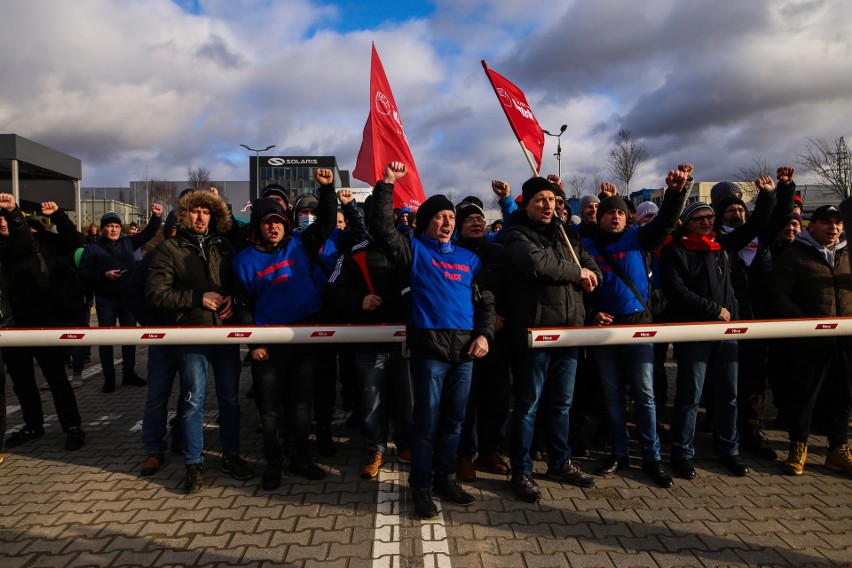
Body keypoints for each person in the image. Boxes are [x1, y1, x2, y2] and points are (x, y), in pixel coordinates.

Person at [369, 161, 494, 519]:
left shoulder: (470, 259)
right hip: (430, 353)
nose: (447, 222)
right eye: (439, 217)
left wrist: (484, 334)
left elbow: (485, 300)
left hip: (466, 353)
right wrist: (387, 184)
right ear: (425, 222)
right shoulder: (413, 251)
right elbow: (382, 229)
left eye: (450, 217)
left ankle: (445, 478)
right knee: (426, 424)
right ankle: (420, 485)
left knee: (455, 423)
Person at [582, 167, 691, 488]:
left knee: (644, 396)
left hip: (638, 329)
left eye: (619, 212)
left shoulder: (638, 237)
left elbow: (667, 221)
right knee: (613, 396)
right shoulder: (585, 245)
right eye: (608, 212)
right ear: (599, 218)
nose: (614, 217)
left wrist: (675, 193)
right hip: (603, 332)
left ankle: (652, 457)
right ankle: (619, 452)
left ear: (627, 217)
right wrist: (591, 313)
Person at [232, 169, 338, 489]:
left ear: (286, 223)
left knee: (301, 402)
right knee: (271, 406)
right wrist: (254, 343)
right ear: (258, 226)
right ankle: (274, 461)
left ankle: (300, 456)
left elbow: (328, 222)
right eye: (267, 222)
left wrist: (327, 189)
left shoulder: (300, 243)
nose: (274, 226)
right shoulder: (243, 261)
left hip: (304, 334)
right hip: (269, 340)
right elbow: (243, 306)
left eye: (278, 221)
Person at [146, 189, 253, 494]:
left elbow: (238, 281)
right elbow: (155, 293)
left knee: (230, 400)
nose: (200, 217)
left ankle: (231, 456)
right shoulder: (169, 248)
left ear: (214, 215)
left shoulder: (224, 245)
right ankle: (193, 463)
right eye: (195, 211)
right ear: (185, 214)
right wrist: (196, 299)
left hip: (225, 334)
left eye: (206, 212)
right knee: (193, 401)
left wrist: (234, 298)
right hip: (192, 334)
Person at [502, 176, 601, 503]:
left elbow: (588, 263)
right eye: (540, 200)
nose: (548, 205)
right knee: (529, 405)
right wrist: (577, 274)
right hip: (537, 335)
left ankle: (559, 462)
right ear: (526, 204)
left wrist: (592, 276)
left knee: (562, 404)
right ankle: (522, 469)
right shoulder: (515, 234)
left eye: (552, 199)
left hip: (570, 333)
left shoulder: (567, 234)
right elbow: (537, 263)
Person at [660, 197, 760, 479]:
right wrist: (713, 310)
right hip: (695, 333)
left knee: (728, 395)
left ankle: (729, 450)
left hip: (727, 333)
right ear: (687, 223)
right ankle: (681, 453)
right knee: (690, 396)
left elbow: (756, 225)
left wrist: (772, 195)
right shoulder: (675, 251)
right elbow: (674, 289)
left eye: (710, 217)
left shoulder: (721, 246)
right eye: (699, 218)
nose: (707, 221)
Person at [325, 197, 414, 479]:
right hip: (370, 342)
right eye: (374, 216)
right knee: (371, 399)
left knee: (407, 399)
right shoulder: (354, 253)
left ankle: (406, 445)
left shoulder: (408, 250)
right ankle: (374, 447)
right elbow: (332, 290)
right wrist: (359, 300)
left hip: (405, 342)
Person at [1, 195, 86, 452]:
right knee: (22, 381)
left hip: (43, 321)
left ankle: (72, 427)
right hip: (11, 325)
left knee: (56, 378)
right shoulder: (4, 248)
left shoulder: (42, 241)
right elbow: (18, 245)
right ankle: (33, 425)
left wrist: (59, 215)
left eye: (7, 217)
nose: (3, 222)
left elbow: (75, 242)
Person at [772, 204, 852, 477]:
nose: (834, 228)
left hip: (844, 340)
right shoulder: (794, 255)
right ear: (812, 225)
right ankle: (798, 446)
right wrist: (807, 325)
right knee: (805, 396)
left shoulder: (846, 255)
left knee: (843, 396)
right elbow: (780, 295)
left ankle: (838, 448)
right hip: (810, 342)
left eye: (838, 223)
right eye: (827, 223)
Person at [453, 198, 512, 481]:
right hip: (465, 338)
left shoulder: (499, 253)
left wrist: (503, 316)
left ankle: (490, 450)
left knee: (497, 398)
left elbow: (514, 290)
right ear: (458, 227)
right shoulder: (451, 254)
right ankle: (465, 455)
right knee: (466, 401)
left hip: (499, 339)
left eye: (479, 219)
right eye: (469, 220)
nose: (477, 223)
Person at [78, 207, 162, 392]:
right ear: (102, 229)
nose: (113, 229)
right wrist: (103, 275)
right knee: (106, 339)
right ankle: (109, 378)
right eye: (109, 226)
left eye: (116, 226)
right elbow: (83, 273)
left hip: (127, 300)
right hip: (105, 300)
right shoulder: (92, 249)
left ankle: (129, 373)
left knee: (129, 337)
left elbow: (148, 234)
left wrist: (156, 217)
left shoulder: (128, 243)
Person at [128, 211, 185, 476]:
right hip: (162, 339)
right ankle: (153, 447)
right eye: (172, 229)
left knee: (190, 394)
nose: (176, 234)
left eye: (179, 229)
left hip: (190, 336)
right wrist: (150, 324)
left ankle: (181, 437)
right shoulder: (151, 258)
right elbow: (134, 291)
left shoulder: (193, 257)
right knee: (157, 396)